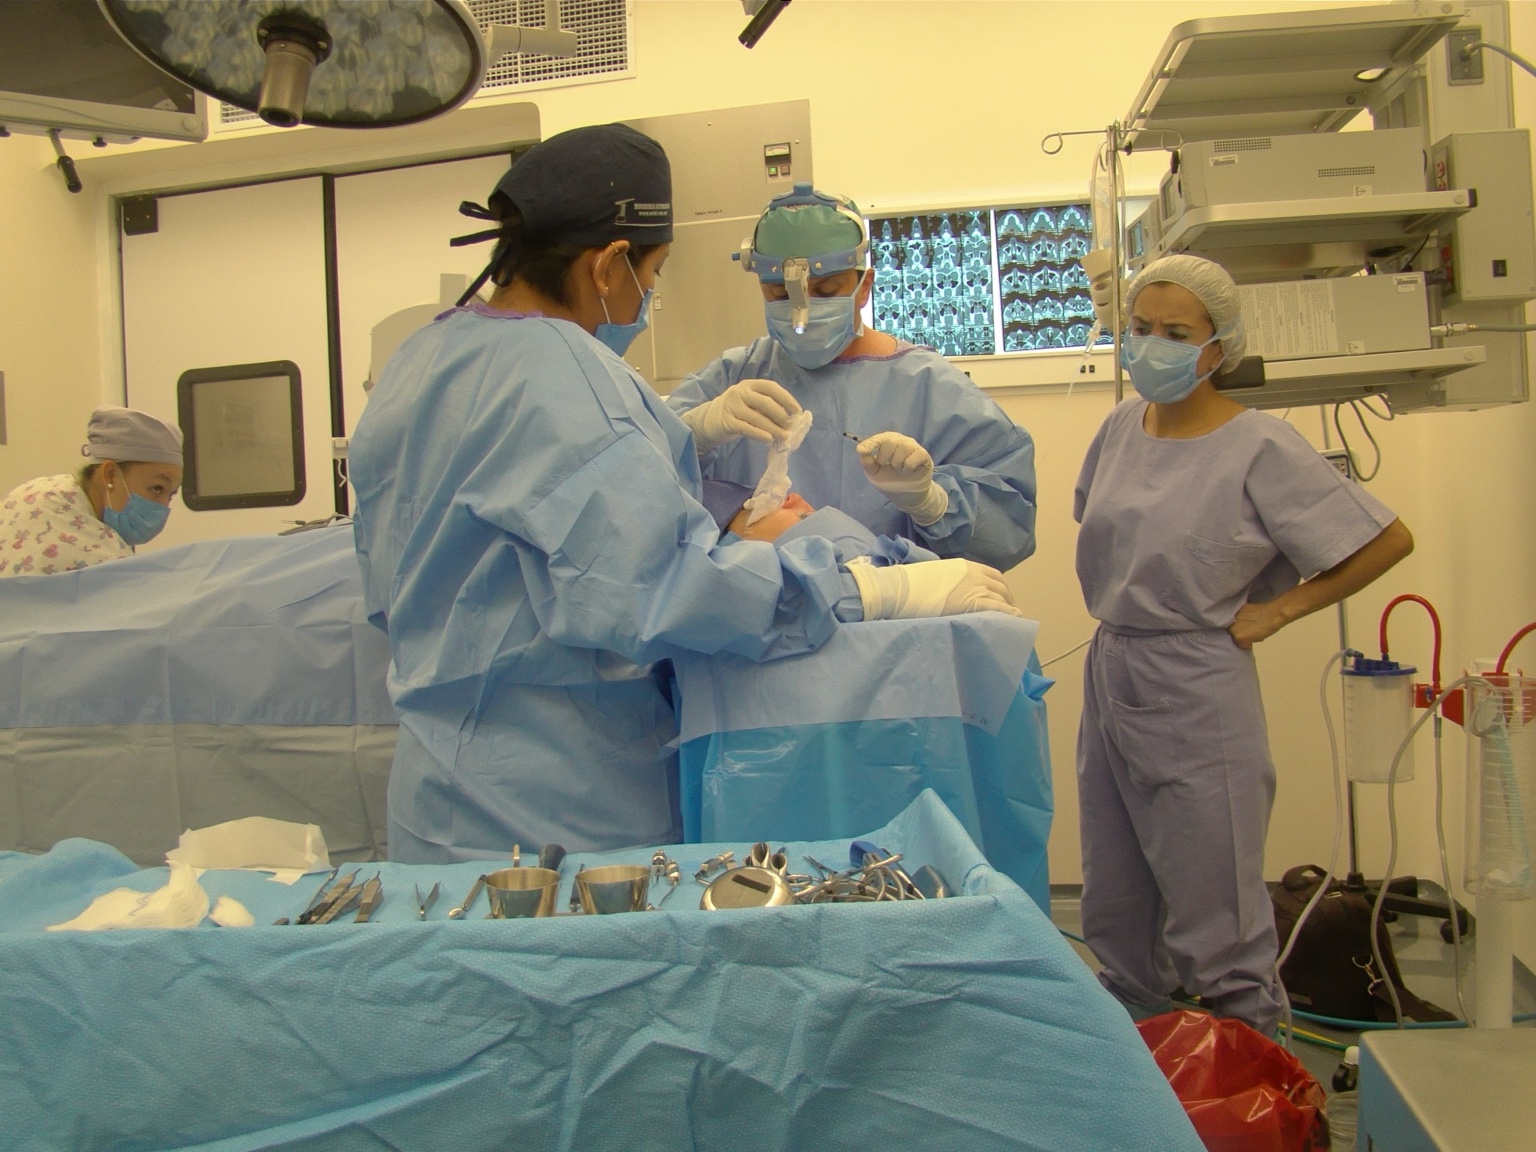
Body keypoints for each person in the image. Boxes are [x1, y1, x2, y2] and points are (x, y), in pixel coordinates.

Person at [349, 125, 1020, 864]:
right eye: (654, 272)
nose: (650, 295)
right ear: (610, 265)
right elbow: (658, 587)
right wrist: (862, 589)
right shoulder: (564, 374)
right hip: (555, 809)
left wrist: (930, 500)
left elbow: (394, 583)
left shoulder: (419, 359)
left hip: (433, 798)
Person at [1073, 254, 1414, 1036]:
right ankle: (1148, 1088)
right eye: (1141, 329)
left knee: (1218, 922)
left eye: (1177, 333)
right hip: (1114, 666)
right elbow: (1100, 519)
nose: (1152, 345)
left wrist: (1281, 610)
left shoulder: (1260, 445)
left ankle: (1268, 1099)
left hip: (1196, 685)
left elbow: (1385, 540)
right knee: (1119, 908)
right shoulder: (1122, 425)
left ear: (1218, 348)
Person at [667, 183, 1037, 572]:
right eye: (779, 294)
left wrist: (932, 502)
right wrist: (694, 434)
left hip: (887, 624)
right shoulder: (733, 378)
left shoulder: (928, 387)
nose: (801, 312)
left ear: (865, 287)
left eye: (825, 291)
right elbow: (638, 487)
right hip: (763, 619)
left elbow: (1008, 534)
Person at [0, 406, 182, 578]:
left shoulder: (42, 490)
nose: (162, 506)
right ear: (110, 474)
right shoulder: (97, 556)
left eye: (171, 495)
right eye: (157, 488)